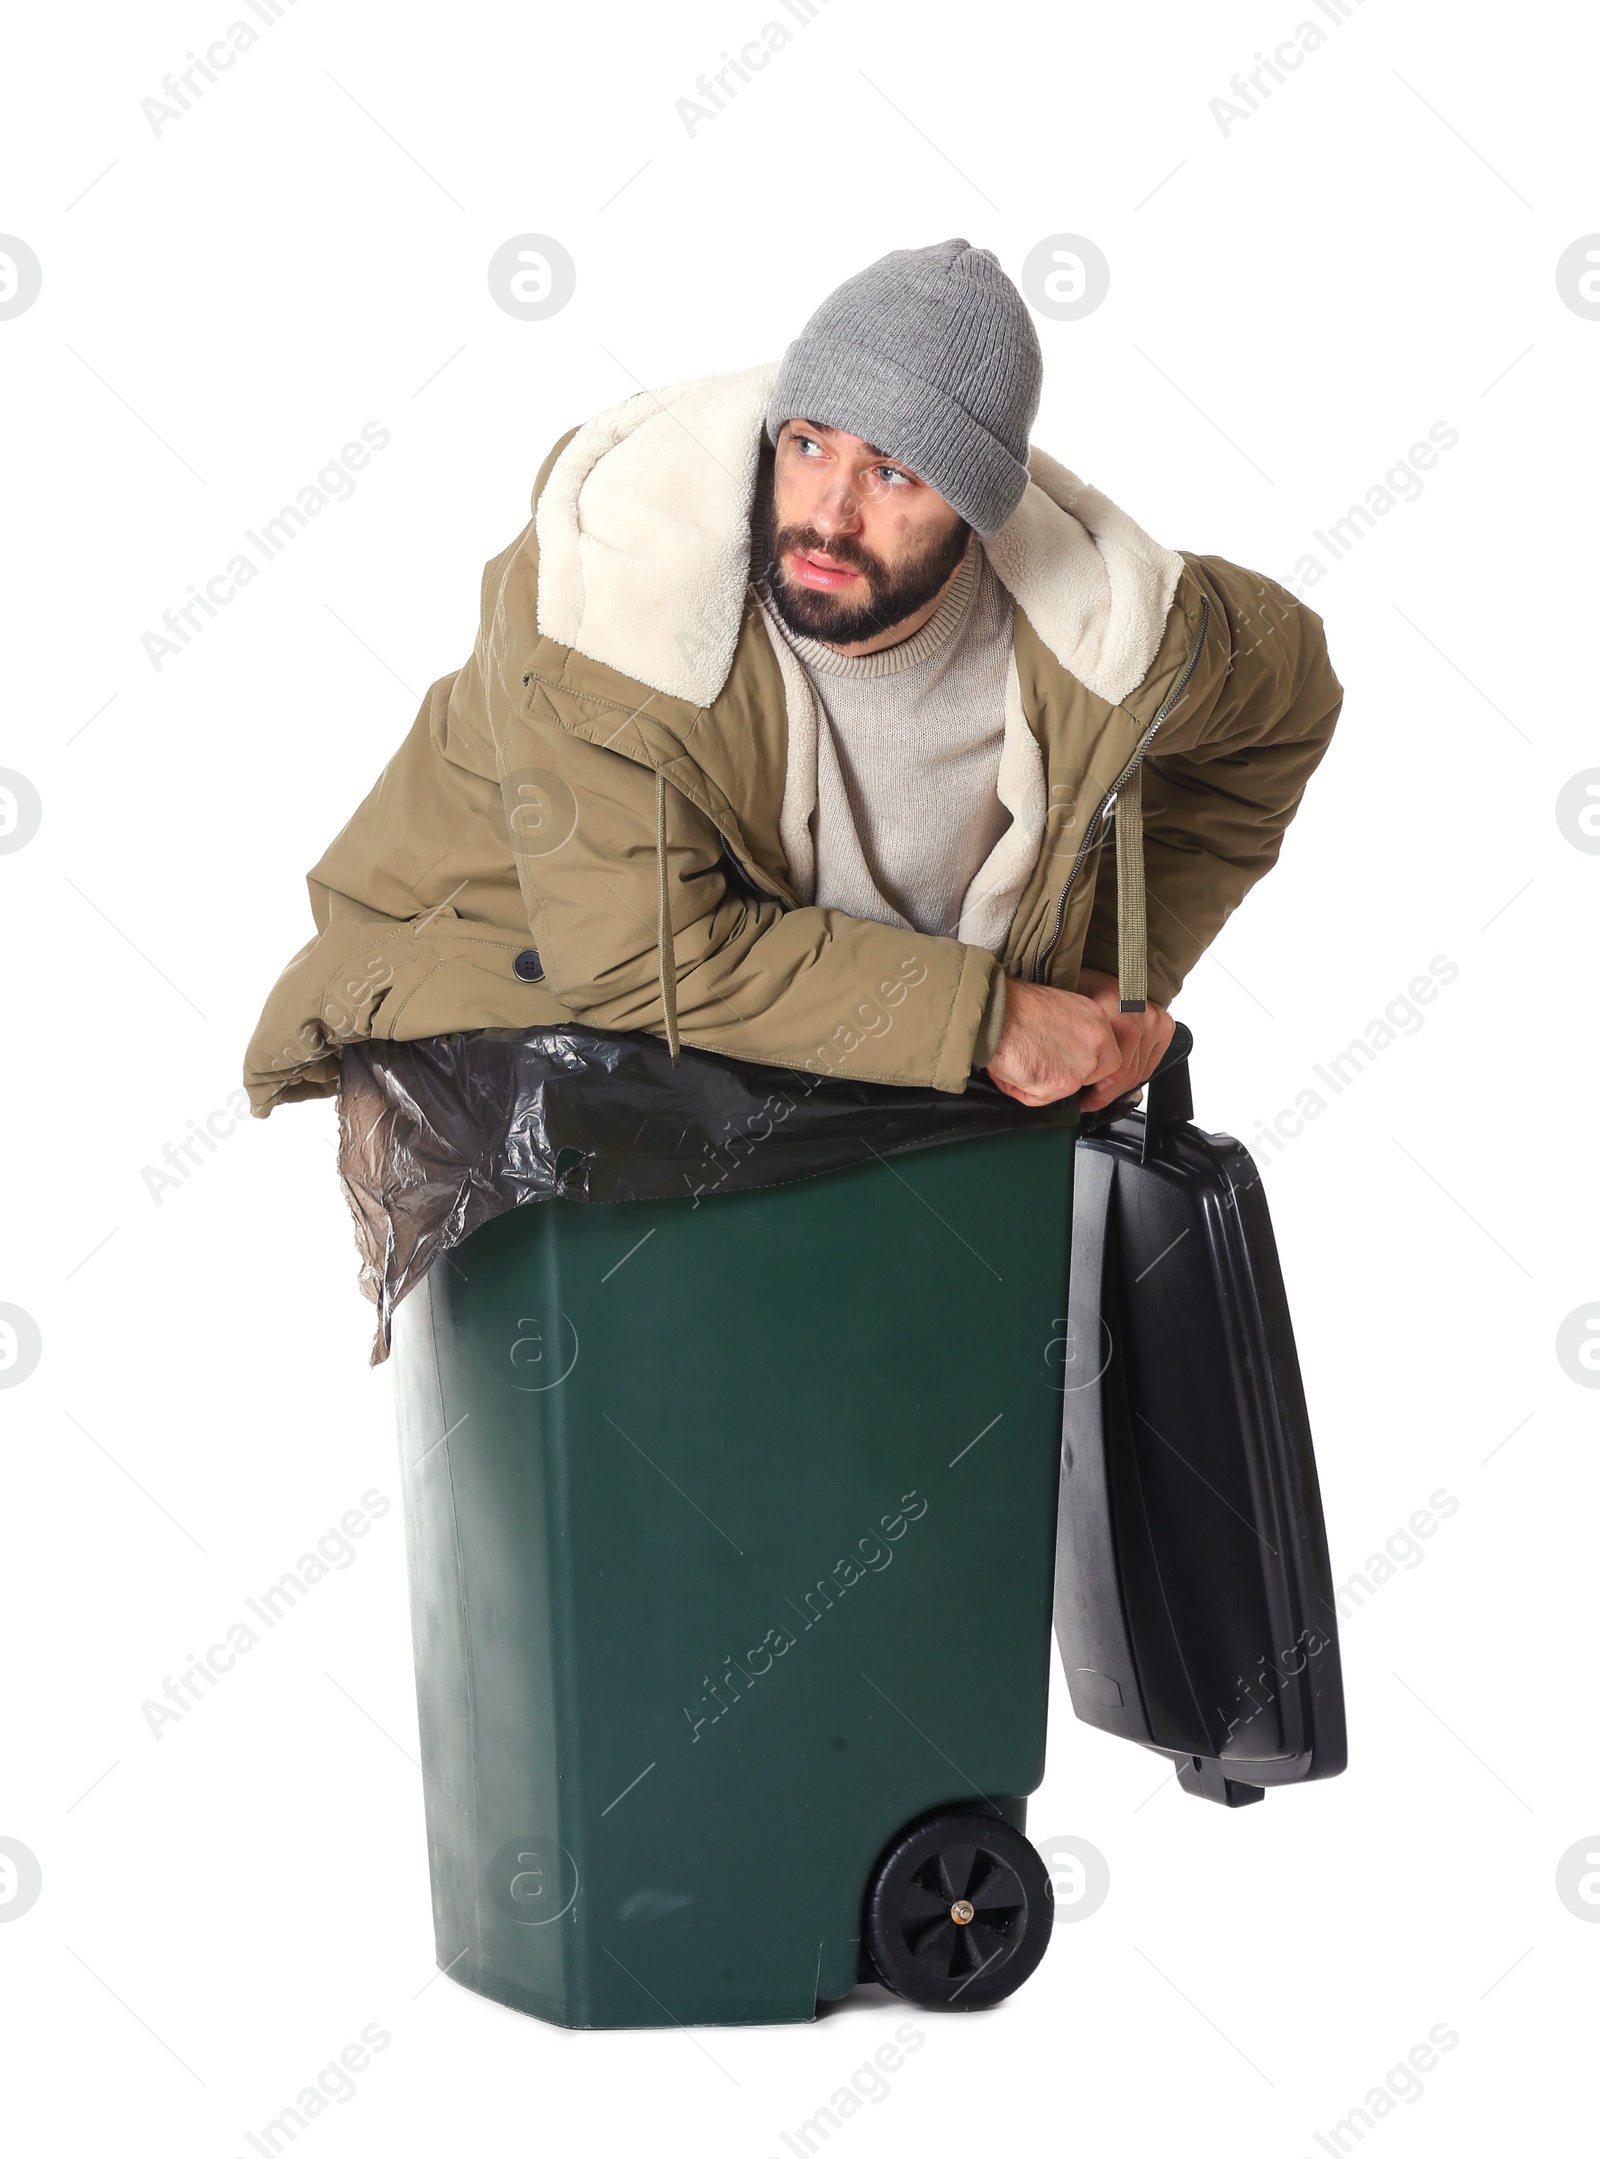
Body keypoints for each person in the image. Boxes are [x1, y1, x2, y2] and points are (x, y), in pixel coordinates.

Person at [244, 239, 1340, 1119]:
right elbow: (639, 959)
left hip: (841, 1067)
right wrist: (988, 1015)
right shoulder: (612, 601)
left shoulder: (1110, 635)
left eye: (892, 473)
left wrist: (1117, 975)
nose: (828, 513)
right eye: (809, 445)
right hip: (500, 1000)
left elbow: (1285, 705)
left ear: (979, 508)